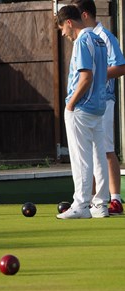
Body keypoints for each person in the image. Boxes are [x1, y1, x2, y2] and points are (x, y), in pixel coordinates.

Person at [71, 0, 125, 215]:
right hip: (90, 102)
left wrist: (95, 78)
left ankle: (115, 198)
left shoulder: (104, 36)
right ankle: (92, 199)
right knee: (91, 150)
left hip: (104, 98)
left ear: (84, 15)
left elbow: (120, 66)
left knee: (105, 148)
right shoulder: (85, 38)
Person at [56, 5, 109, 219]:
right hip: (98, 107)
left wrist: (71, 104)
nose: (62, 33)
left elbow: (85, 78)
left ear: (69, 22)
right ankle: (101, 204)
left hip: (82, 108)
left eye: (62, 28)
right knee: (98, 157)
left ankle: (81, 204)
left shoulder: (82, 42)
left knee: (81, 158)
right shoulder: (99, 40)